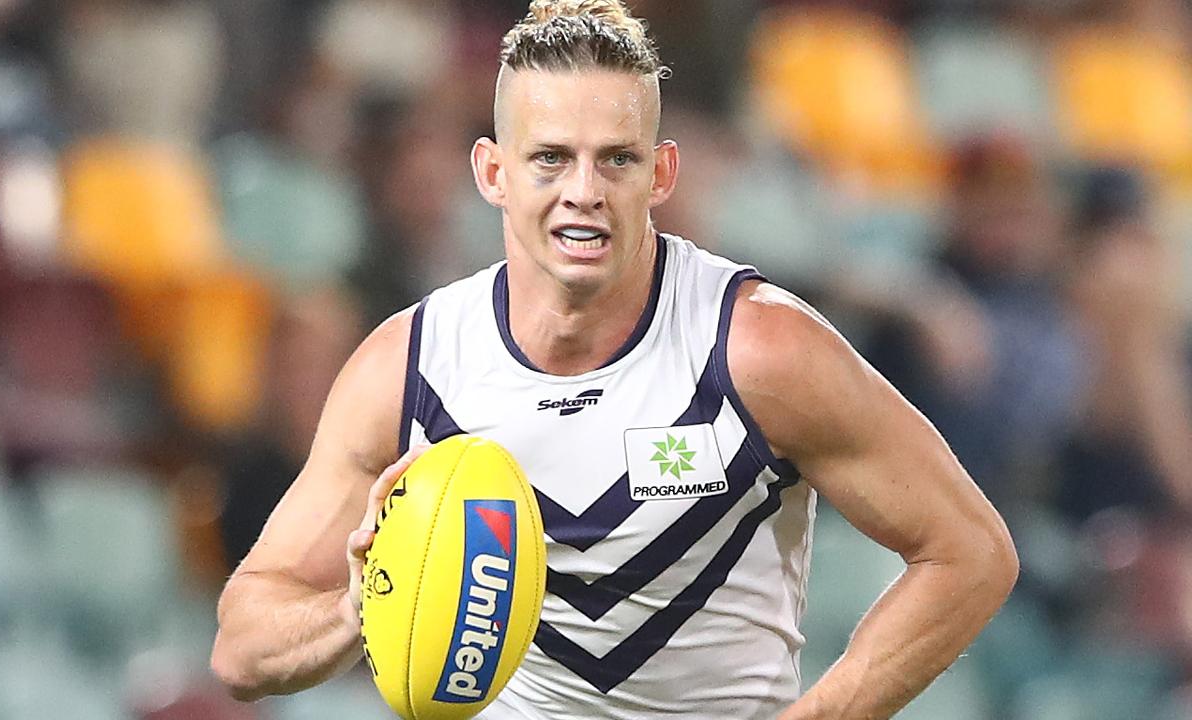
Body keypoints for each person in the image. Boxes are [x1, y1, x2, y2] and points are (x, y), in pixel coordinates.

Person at [210, 2, 1019, 718]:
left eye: (617, 160)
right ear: (492, 173)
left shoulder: (756, 349)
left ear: (661, 173)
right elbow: (241, 650)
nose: (584, 191)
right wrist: (361, 607)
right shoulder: (410, 366)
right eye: (551, 158)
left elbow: (970, 552)